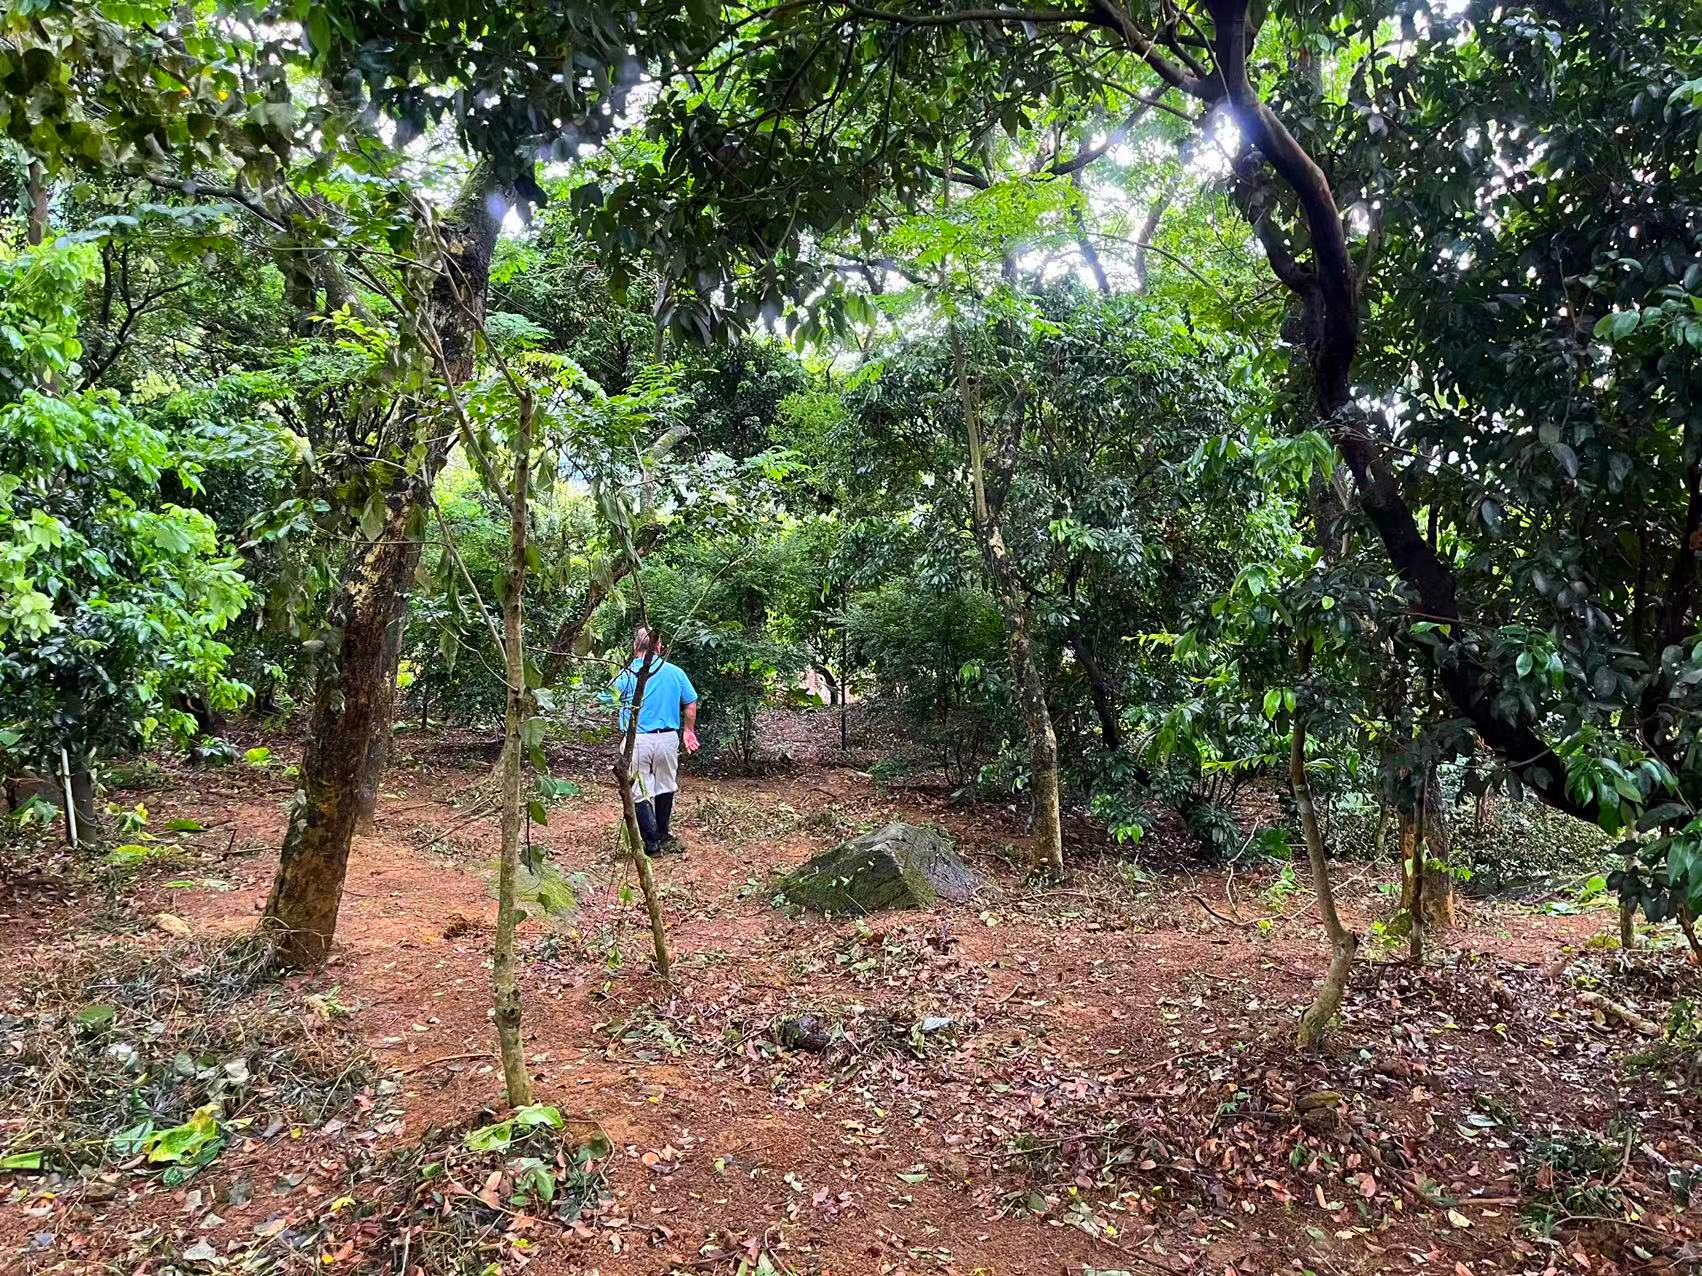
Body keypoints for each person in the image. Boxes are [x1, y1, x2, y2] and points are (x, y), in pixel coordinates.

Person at [609, 626, 700, 856]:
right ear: (658, 647)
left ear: (635, 646)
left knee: (639, 791)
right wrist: (688, 731)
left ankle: (651, 844)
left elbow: (604, 701)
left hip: (636, 740)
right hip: (668, 738)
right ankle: (663, 832)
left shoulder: (625, 674)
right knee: (665, 785)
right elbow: (691, 702)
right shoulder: (675, 672)